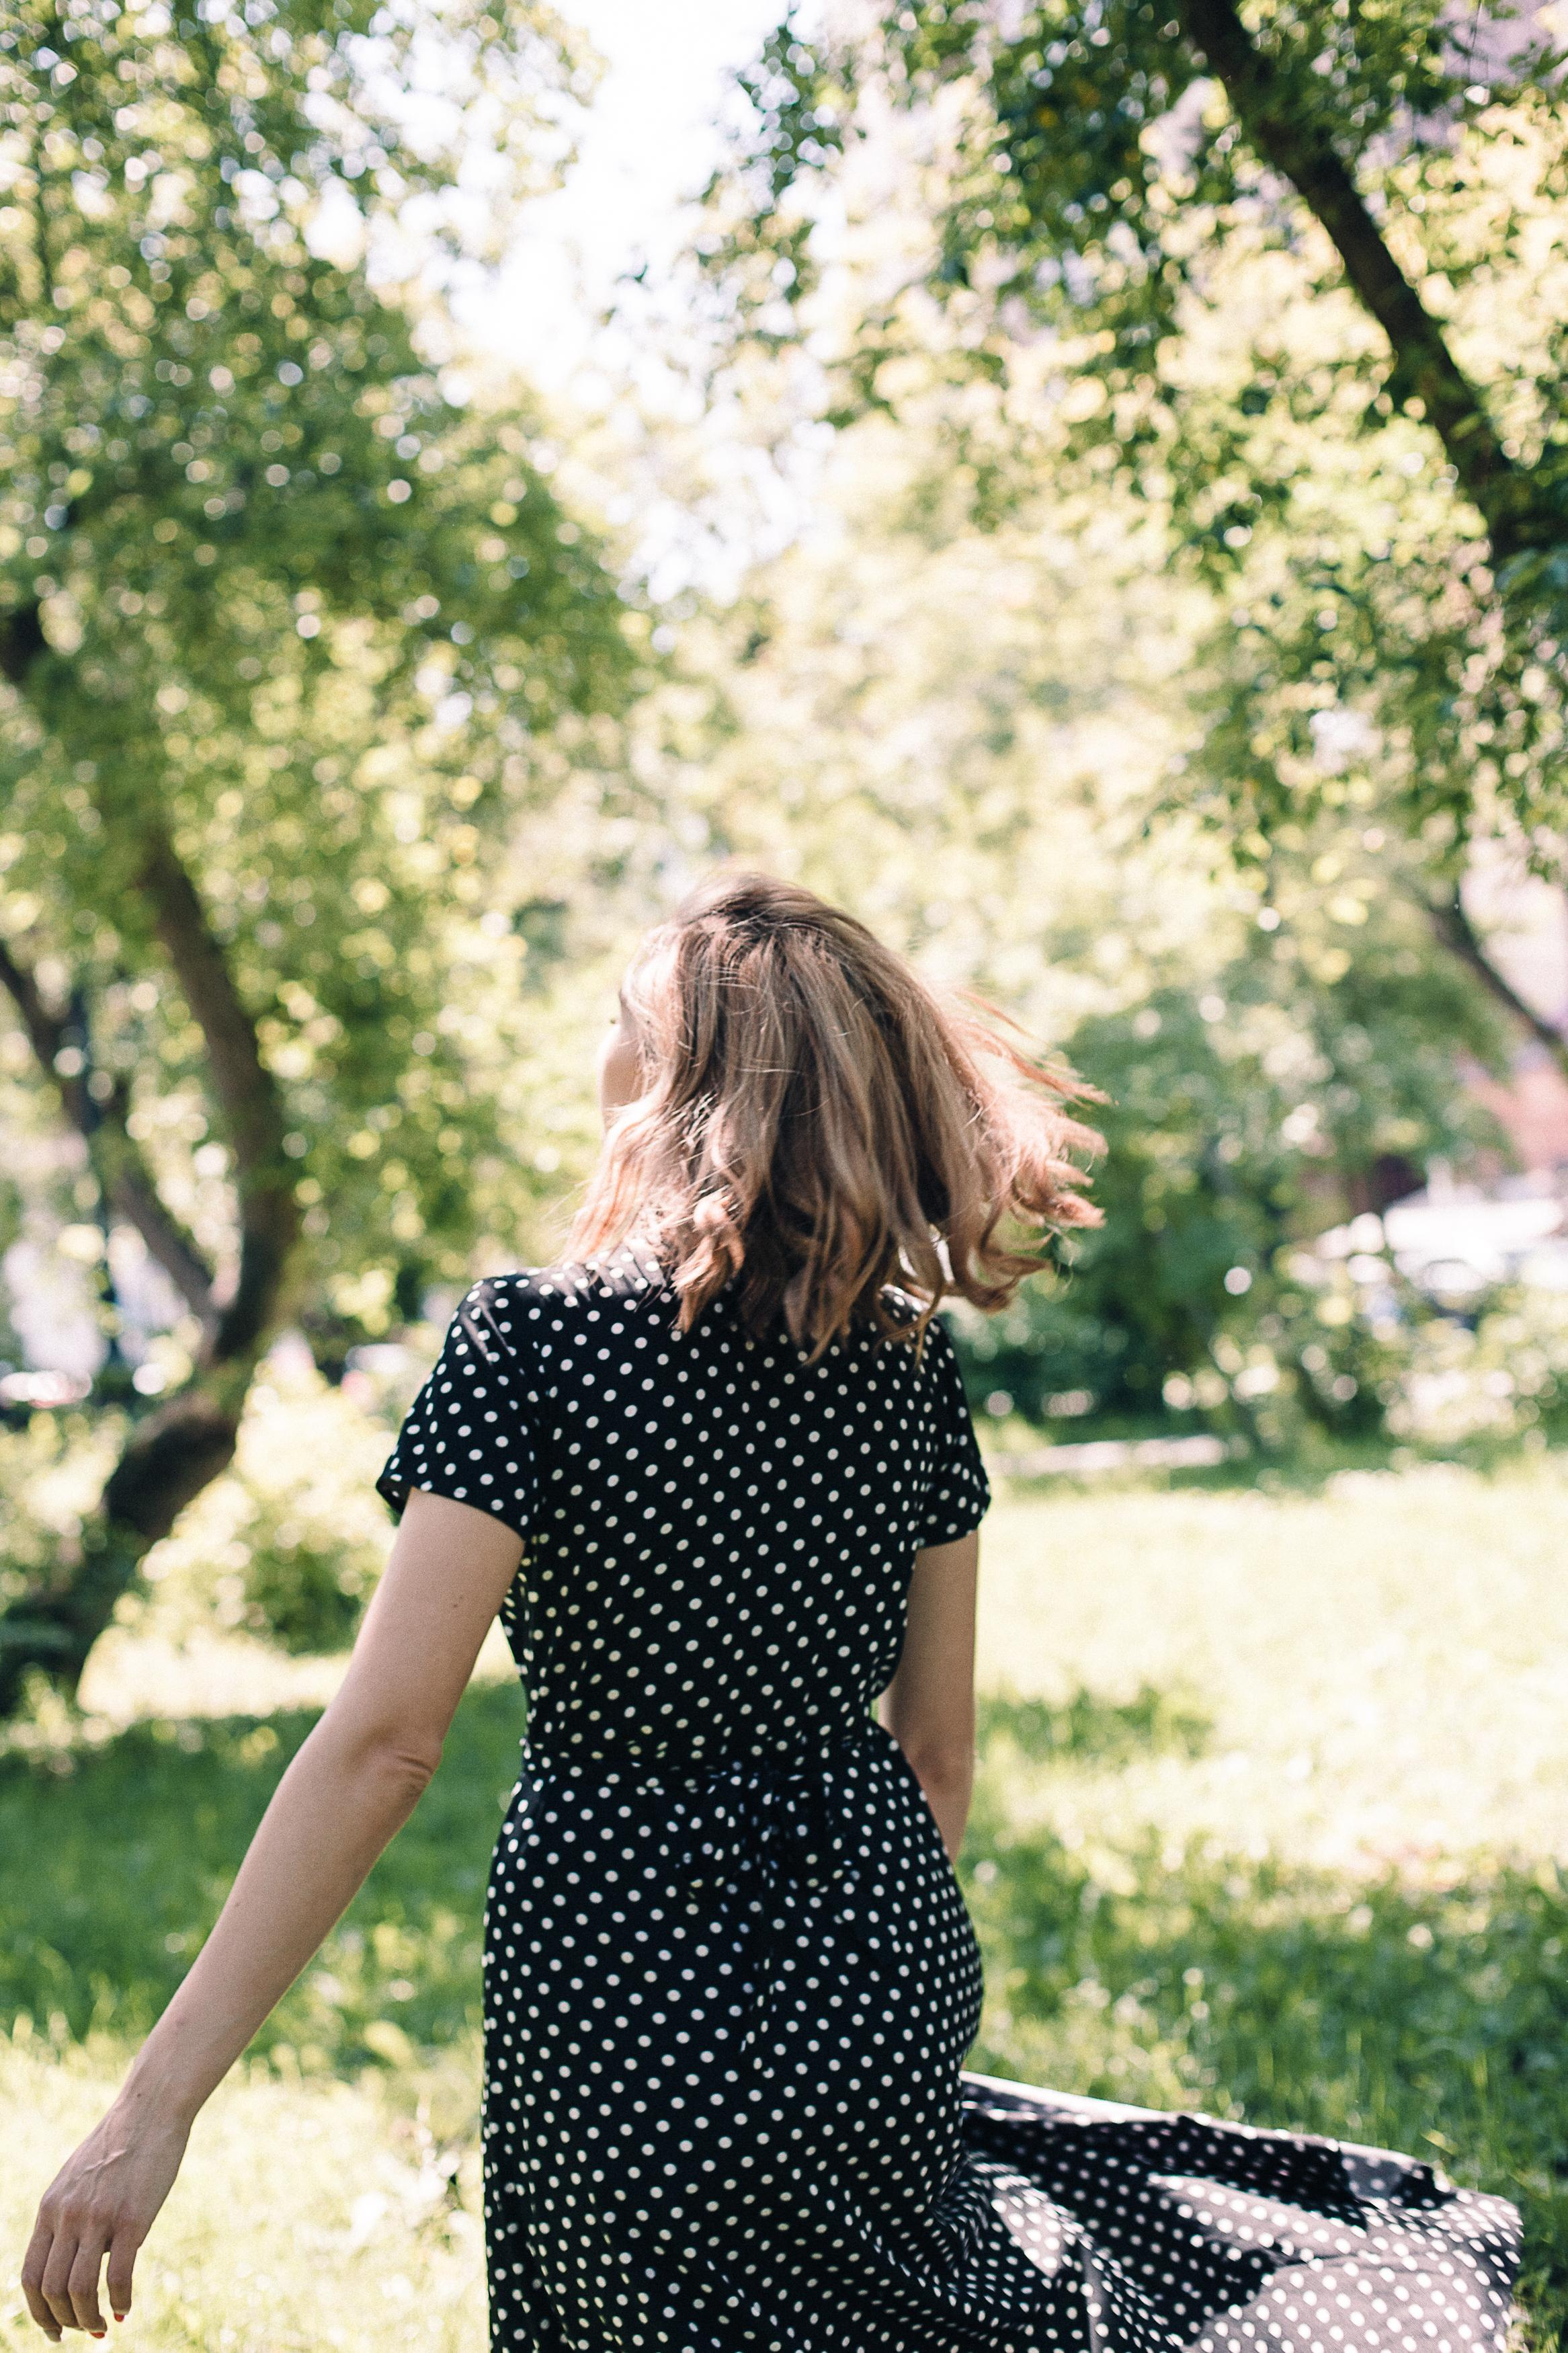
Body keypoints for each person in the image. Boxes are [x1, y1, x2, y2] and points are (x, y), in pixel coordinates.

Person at [24, 871, 1521, 2352]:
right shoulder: (906, 1364)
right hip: (880, 1960)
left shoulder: (530, 1346)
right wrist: (834, 2004)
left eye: (621, 1020)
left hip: (623, 1981)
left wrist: (153, 2106)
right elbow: (937, 1756)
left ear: (674, 1075)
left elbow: (387, 1747)